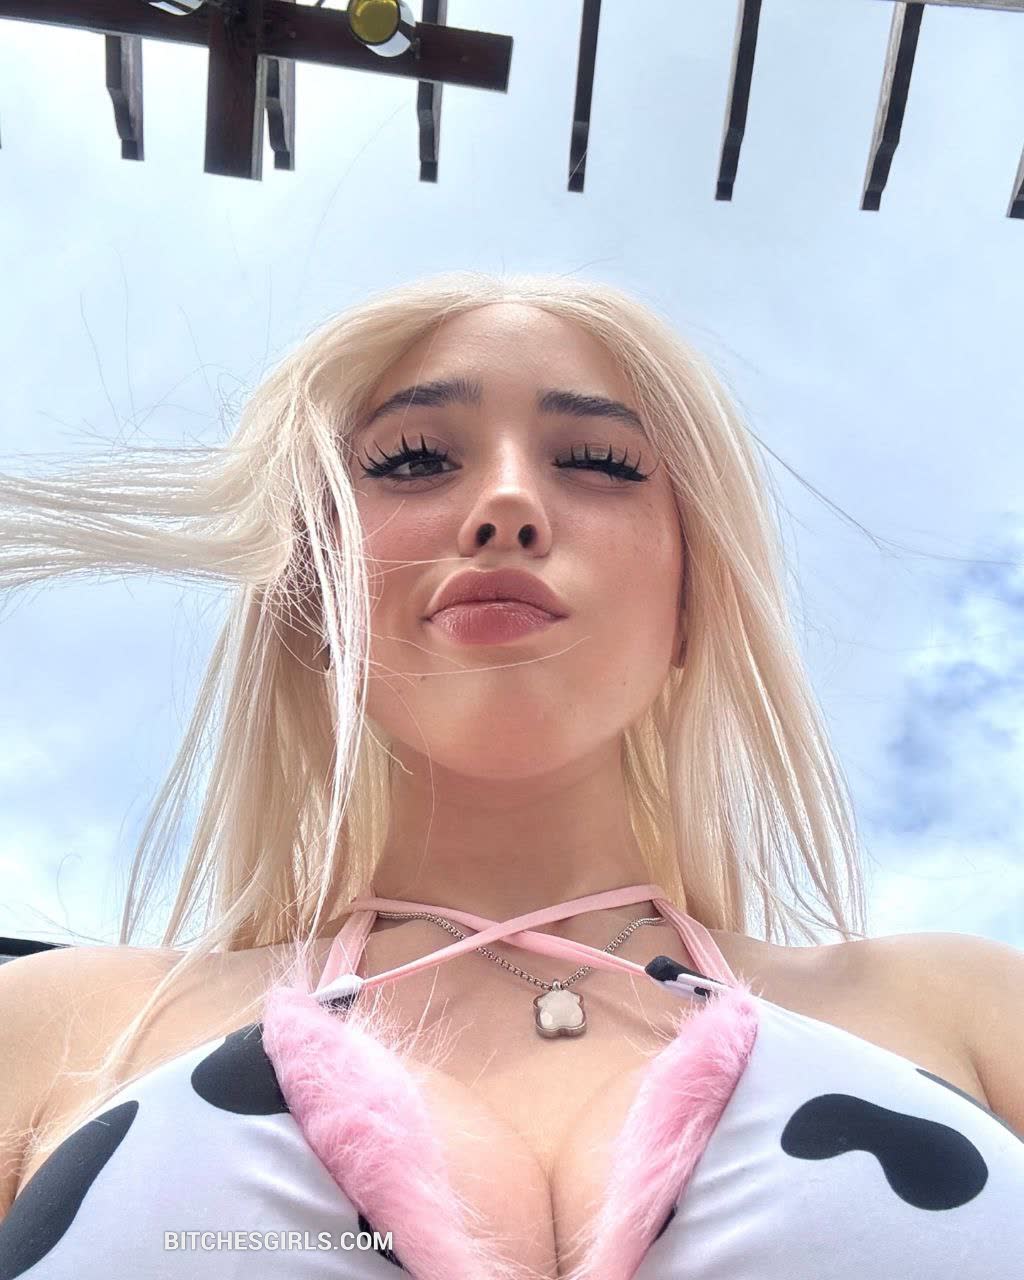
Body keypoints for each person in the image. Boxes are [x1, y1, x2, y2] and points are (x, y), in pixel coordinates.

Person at [0, 273, 1021, 1280]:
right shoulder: (54, 1025)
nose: (506, 502)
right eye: (411, 460)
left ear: (693, 598)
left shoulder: (968, 1009)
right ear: (314, 589)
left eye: (598, 462)